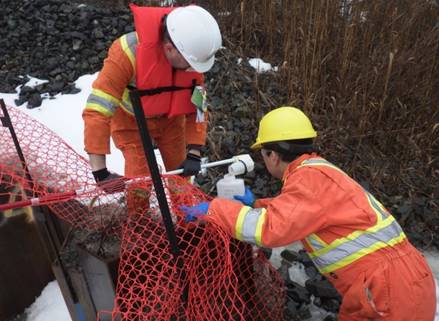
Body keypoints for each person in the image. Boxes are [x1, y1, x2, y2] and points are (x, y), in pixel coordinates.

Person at [180, 106, 437, 321]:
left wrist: (214, 208)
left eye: (264, 154)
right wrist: (257, 205)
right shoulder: (317, 171)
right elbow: (301, 213)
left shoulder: (308, 179)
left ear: (273, 154)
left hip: (388, 292)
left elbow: (269, 230)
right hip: (400, 283)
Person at [82, 4, 222, 183]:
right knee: (140, 183)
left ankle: (185, 210)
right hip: (131, 123)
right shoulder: (127, 53)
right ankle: (138, 212)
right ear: (170, 48)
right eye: (191, 64)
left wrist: (194, 152)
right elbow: (97, 110)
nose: (195, 70)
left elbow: (199, 108)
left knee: (182, 181)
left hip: (171, 122)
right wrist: (100, 171)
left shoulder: (192, 56)